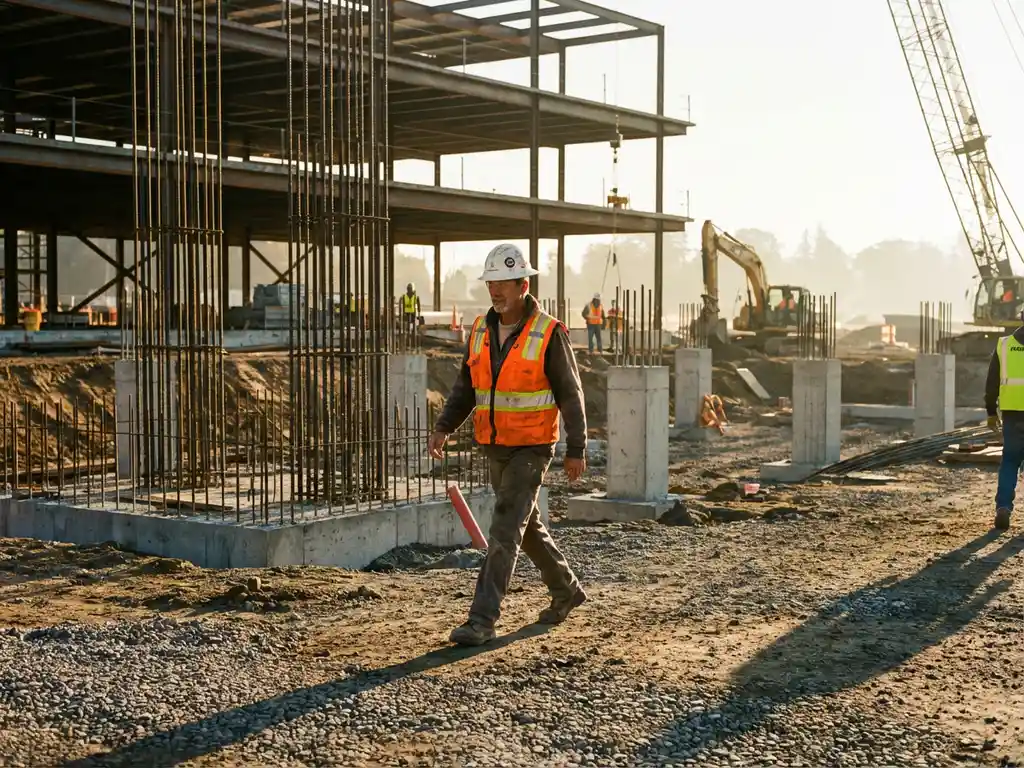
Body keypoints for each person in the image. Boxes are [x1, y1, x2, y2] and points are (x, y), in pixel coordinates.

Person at [428, 243, 588, 646]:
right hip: (495, 445)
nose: (495, 291)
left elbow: (571, 393)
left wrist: (576, 448)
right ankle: (566, 590)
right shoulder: (481, 329)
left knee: (503, 529)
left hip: (532, 448)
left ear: (523, 284)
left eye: (502, 283)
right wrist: (444, 425)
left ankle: (482, 620)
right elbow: (467, 387)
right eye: (490, 283)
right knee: (526, 527)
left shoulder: (549, 333)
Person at [985, 310, 1024, 530]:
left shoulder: (1004, 345)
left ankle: (1003, 508)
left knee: (1010, 461)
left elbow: (992, 383)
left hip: (1012, 414)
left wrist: (991, 412)